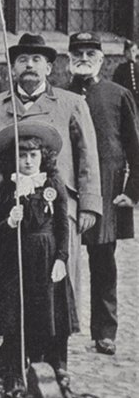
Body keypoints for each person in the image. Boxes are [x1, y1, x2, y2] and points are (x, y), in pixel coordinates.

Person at [0, 32, 101, 326]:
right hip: (10, 209)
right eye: (22, 60)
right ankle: (16, 352)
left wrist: (89, 205)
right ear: (13, 68)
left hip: (56, 208)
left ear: (49, 67)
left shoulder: (71, 104)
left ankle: (57, 353)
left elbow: (87, 156)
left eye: (36, 60)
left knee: (57, 278)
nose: (29, 65)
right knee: (12, 280)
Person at [64, 31, 139, 356]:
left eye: (89, 53)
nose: (83, 58)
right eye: (77, 52)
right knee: (59, 260)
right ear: (69, 59)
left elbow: (135, 148)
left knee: (103, 262)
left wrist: (132, 193)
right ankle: (59, 328)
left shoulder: (117, 94)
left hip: (106, 192)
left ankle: (104, 331)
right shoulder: (58, 95)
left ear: (101, 59)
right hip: (65, 189)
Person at [0, 122, 77, 398]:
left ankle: (55, 365)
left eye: (33, 156)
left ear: (43, 158)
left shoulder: (52, 184)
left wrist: (61, 257)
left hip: (47, 255)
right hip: (15, 260)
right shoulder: (6, 187)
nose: (27, 161)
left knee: (50, 311)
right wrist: (9, 221)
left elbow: (62, 224)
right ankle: (15, 370)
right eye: (22, 156)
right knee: (17, 313)